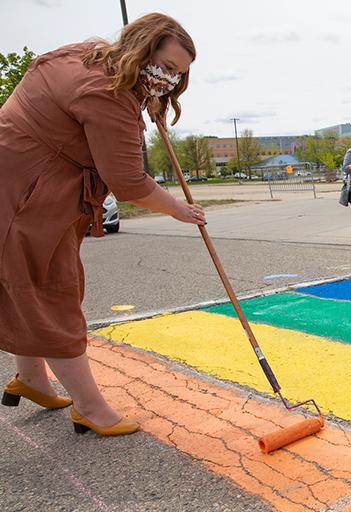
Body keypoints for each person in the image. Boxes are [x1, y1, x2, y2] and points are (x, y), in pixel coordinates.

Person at [0, 13, 203, 437]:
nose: (168, 80)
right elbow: (129, 182)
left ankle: (33, 379)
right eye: (164, 68)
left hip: (22, 180)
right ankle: (90, 407)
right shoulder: (109, 96)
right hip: (24, 197)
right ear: (141, 48)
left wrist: (145, 102)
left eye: (178, 75)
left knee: (25, 281)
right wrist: (178, 209)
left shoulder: (87, 55)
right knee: (51, 290)